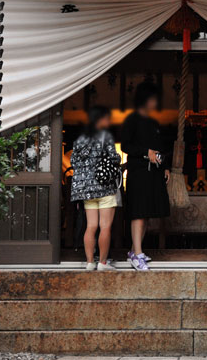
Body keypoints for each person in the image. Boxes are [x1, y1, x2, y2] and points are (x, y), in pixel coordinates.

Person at [121, 81, 170, 271]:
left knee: (147, 214)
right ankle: (138, 254)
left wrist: (165, 167)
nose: (155, 102)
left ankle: (134, 252)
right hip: (138, 173)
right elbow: (125, 146)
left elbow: (161, 148)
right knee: (138, 213)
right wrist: (145, 152)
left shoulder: (153, 123)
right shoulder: (131, 120)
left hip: (154, 174)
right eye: (152, 99)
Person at [70, 106, 121, 271]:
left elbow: (73, 162)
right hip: (104, 187)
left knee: (91, 226)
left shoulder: (80, 139)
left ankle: (90, 262)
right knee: (105, 226)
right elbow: (114, 158)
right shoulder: (105, 136)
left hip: (86, 190)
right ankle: (103, 263)